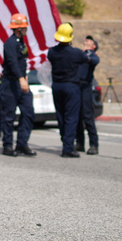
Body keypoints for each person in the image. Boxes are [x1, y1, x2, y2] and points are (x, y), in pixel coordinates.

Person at [47, 23, 92, 158]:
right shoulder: (76, 53)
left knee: (60, 116)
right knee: (71, 117)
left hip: (56, 86)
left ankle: (65, 140)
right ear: (70, 37)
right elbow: (86, 59)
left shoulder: (52, 52)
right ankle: (68, 148)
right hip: (71, 87)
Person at [0, 13, 35, 157]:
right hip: (11, 83)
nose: (27, 29)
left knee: (28, 113)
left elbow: (22, 62)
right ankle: (7, 146)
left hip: (21, 81)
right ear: (18, 29)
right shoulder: (10, 43)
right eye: (24, 27)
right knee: (9, 116)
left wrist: (24, 76)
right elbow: (12, 62)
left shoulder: (21, 42)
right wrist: (21, 79)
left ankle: (22, 144)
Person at [75, 35, 101, 155]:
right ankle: (80, 143)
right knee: (77, 116)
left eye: (89, 41)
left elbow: (94, 60)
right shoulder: (80, 53)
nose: (86, 41)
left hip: (85, 87)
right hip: (76, 86)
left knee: (87, 116)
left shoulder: (91, 55)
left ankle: (94, 144)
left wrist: (88, 54)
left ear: (93, 46)